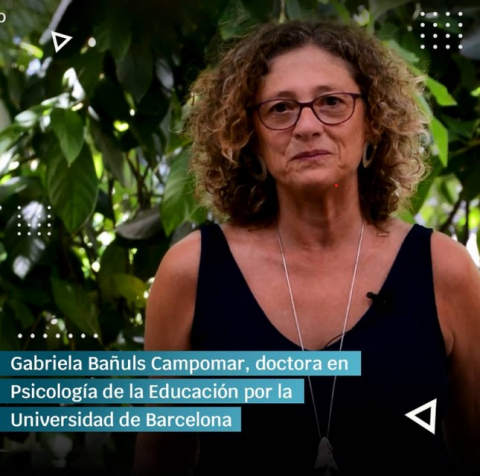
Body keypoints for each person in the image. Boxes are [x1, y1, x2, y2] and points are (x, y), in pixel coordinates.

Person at [133, 19, 480, 476]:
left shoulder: (444, 270)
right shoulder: (192, 273)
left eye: (332, 102)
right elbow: (159, 463)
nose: (308, 126)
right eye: (279, 109)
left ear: (373, 121)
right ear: (248, 136)